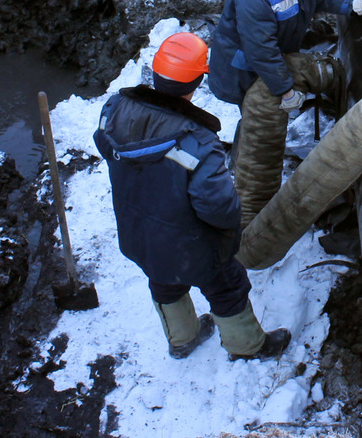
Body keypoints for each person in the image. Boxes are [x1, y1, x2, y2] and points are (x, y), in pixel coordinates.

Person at [93, 32, 290, 361]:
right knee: (227, 288)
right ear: (198, 82)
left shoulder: (114, 110)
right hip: (193, 245)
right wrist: (229, 232)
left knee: (164, 281)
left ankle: (182, 339)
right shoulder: (196, 142)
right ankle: (247, 347)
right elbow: (219, 205)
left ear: (155, 74)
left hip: (138, 232)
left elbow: (104, 144)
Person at [208, 0, 362, 228]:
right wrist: (286, 92)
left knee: (259, 115)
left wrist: (353, 4)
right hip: (243, 69)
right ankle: (244, 176)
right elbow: (261, 52)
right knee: (257, 116)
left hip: (269, 59)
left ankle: (246, 158)